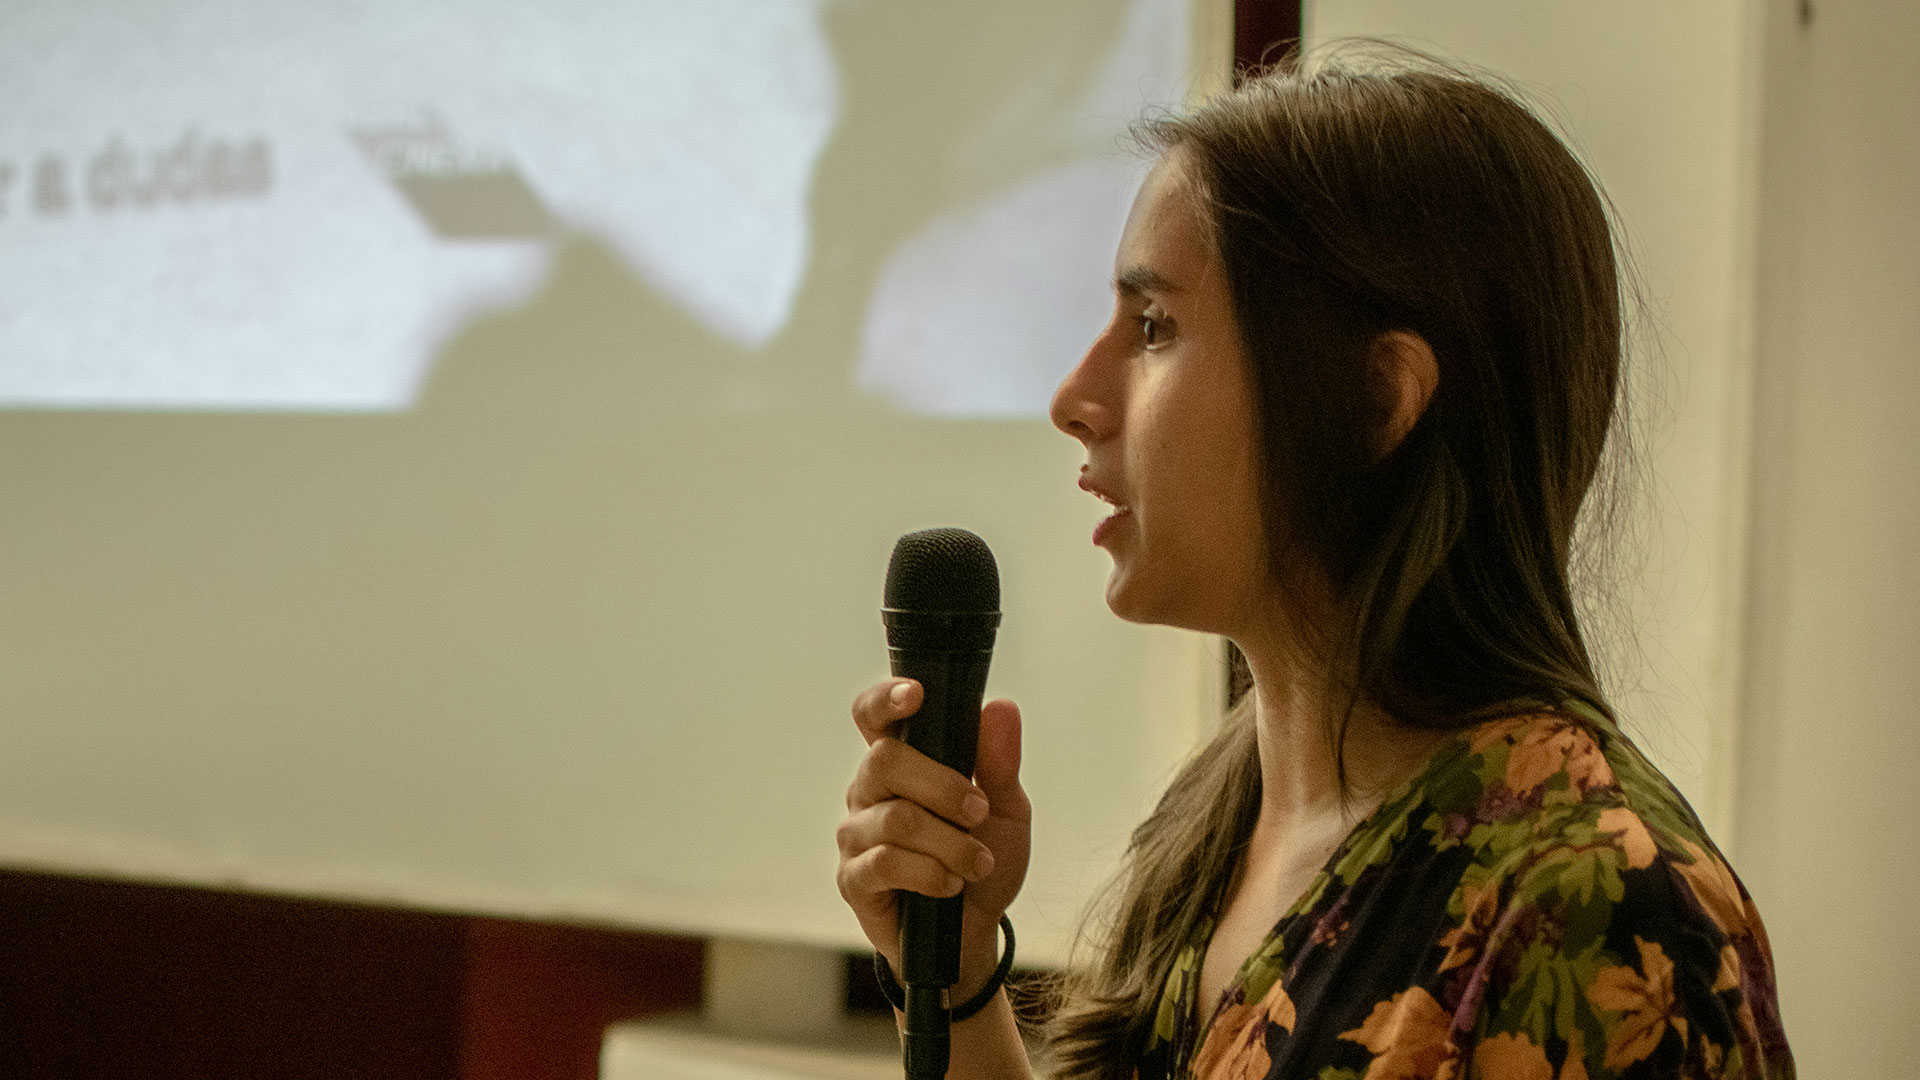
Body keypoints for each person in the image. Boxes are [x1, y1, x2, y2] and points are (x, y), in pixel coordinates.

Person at [835, 48, 1794, 1080]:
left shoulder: (1600, 907)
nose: (1074, 396)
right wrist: (957, 973)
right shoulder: (1215, 820)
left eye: (1154, 326)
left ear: (1377, 401)